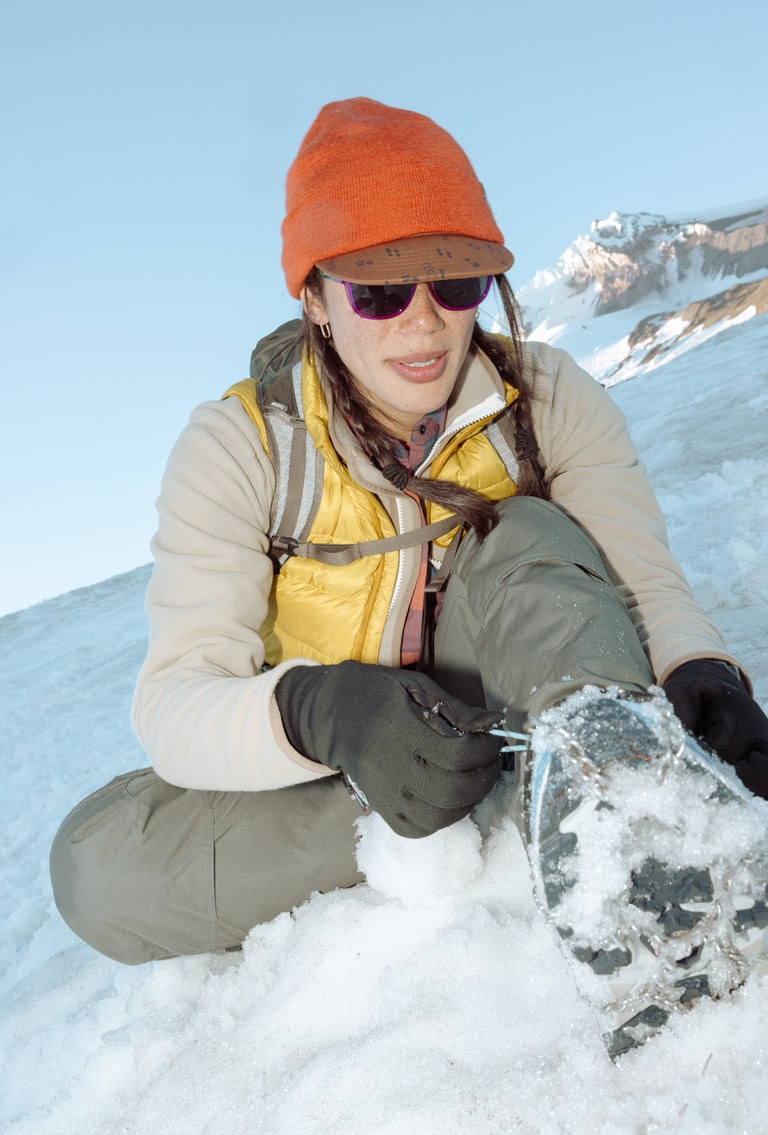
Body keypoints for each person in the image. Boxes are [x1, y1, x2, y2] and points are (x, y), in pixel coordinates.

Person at [50, 97, 768, 970]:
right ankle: (524, 804)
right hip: (347, 774)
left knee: (524, 529)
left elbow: (643, 580)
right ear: (315, 297)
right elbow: (176, 702)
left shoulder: (547, 397)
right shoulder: (239, 448)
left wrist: (698, 671)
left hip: (544, 697)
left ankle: (624, 816)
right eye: (382, 290)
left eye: (455, 282)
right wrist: (325, 712)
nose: (425, 322)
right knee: (98, 866)